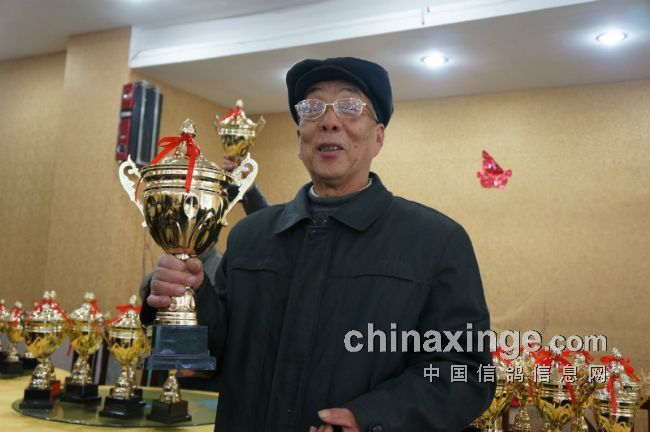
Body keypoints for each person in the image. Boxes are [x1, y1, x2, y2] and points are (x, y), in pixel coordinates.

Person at [143, 57, 495, 431]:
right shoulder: (250, 237)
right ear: (300, 137)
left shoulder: (436, 242)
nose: (329, 120)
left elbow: (467, 373)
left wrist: (372, 417)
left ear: (377, 138)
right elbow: (203, 359)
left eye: (350, 106)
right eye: (312, 107)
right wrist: (187, 296)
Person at [139, 156, 268, 391]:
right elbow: (148, 308)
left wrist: (249, 193)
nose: (188, 221)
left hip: (211, 379)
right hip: (166, 369)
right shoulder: (163, 269)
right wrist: (155, 288)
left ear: (214, 223)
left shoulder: (225, 266)